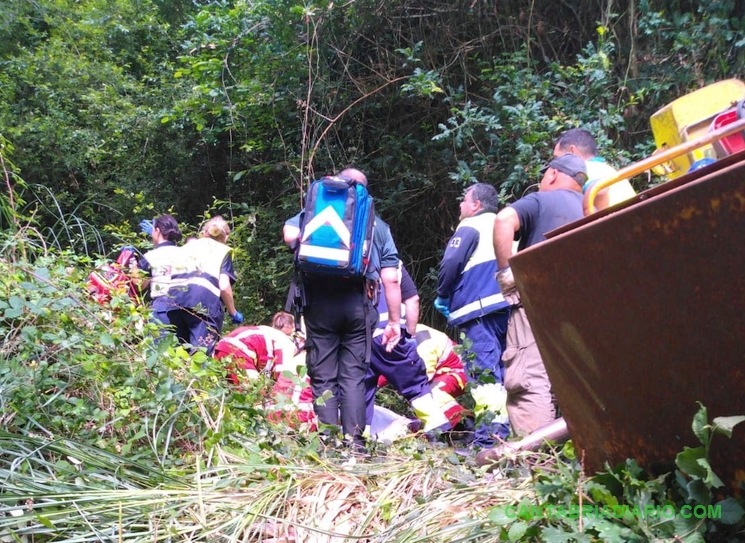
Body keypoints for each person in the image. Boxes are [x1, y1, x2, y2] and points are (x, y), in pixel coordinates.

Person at [283, 167, 402, 447]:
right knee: (353, 377)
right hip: (358, 305)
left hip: (320, 301)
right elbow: (391, 278)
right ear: (364, 193)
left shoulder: (317, 210)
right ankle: (355, 443)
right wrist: (394, 322)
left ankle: (327, 440)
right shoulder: (378, 227)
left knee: (323, 375)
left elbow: (289, 235)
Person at [492, 153, 586, 436]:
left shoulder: (542, 199)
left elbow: (503, 220)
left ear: (553, 175)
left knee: (529, 379)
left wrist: (507, 274)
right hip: (581, 308)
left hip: (537, 299)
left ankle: (540, 466)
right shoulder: (590, 205)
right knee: (570, 382)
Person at [436, 183, 510, 383]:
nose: (460, 205)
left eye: (464, 200)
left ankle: (492, 414)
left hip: (478, 310)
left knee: (483, 373)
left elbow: (451, 262)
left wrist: (443, 294)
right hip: (508, 305)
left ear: (476, 205)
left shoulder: (470, 226)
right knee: (509, 367)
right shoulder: (507, 224)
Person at [166, 215, 243, 354]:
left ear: (204, 232)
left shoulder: (186, 247)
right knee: (200, 355)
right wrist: (233, 312)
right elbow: (224, 285)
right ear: (225, 238)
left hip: (174, 302)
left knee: (178, 354)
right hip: (202, 306)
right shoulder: (222, 250)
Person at [553, 128, 636, 213]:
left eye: (557, 158)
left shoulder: (585, 169)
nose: (556, 164)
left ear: (572, 151)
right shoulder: (607, 169)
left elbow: (600, 191)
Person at [130, 214, 183, 335]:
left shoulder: (152, 256)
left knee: (159, 350)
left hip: (163, 309)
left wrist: (133, 262)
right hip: (185, 306)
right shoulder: (184, 252)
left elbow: (139, 284)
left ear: (157, 231)